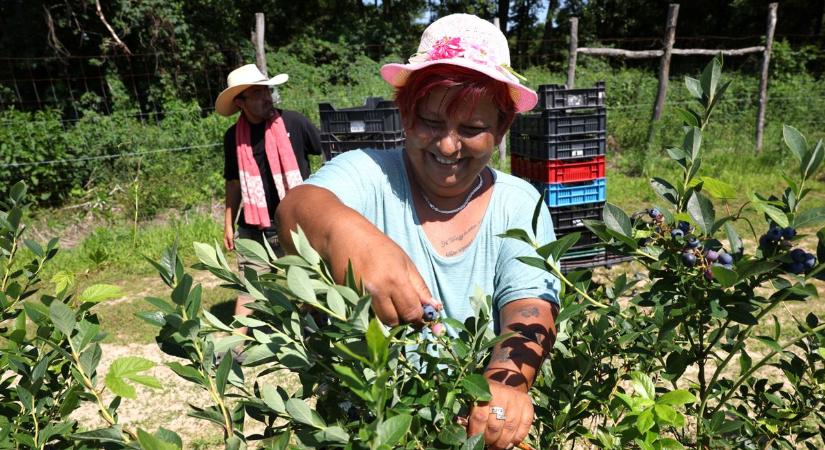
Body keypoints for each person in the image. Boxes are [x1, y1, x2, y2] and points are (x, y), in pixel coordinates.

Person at [277, 14, 559, 450]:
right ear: (406, 115)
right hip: (363, 428)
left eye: (472, 128)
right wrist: (352, 237)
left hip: (466, 426)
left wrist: (505, 384)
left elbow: (528, 307)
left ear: (502, 130)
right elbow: (297, 208)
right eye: (430, 121)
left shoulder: (520, 204)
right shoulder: (369, 174)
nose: (448, 146)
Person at [215, 63, 323, 335]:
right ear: (240, 102)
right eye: (258, 93)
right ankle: (235, 344)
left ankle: (316, 333)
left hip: (297, 222)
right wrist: (228, 222)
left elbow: (327, 154)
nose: (267, 98)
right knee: (250, 285)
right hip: (255, 224)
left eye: (268, 91)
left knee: (311, 279)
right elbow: (233, 181)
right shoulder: (233, 138)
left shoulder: (294, 122)